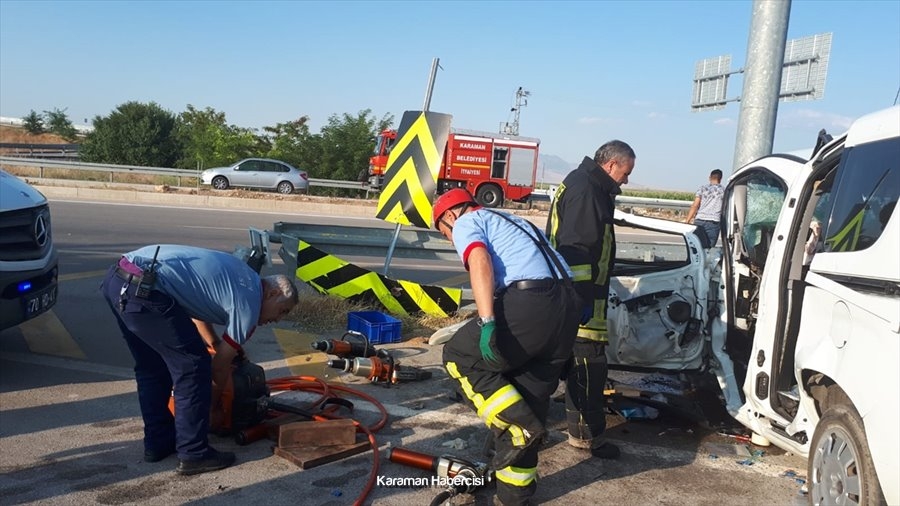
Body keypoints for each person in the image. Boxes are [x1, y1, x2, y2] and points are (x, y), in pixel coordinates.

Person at [100, 245, 299, 476]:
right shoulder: (250, 305)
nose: (277, 319)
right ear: (272, 293)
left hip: (118, 280)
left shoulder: (243, 276)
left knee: (152, 368)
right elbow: (220, 366)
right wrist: (212, 410)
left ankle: (158, 443)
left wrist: (215, 343)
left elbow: (193, 307)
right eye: (282, 311)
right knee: (193, 367)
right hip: (145, 290)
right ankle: (194, 453)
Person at [436, 189, 579, 506]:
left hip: (532, 302)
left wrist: (487, 321)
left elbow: (479, 261)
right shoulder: (516, 220)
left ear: (449, 215)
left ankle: (519, 426)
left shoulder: (467, 221)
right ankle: (515, 495)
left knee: (460, 356)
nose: (449, 239)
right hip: (567, 306)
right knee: (529, 392)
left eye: (443, 233)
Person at [546, 139, 636, 459]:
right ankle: (585, 438)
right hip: (581, 298)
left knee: (567, 364)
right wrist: (582, 299)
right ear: (611, 166)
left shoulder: (583, 182)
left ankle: (536, 423)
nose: (626, 180)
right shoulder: (587, 190)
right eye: (626, 173)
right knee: (587, 366)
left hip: (572, 293)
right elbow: (578, 250)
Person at [685, 169, 725, 247]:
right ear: (720, 179)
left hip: (700, 220)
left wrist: (688, 220)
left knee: (696, 245)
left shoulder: (702, 189)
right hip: (714, 222)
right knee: (708, 248)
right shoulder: (724, 190)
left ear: (710, 177)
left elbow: (695, 205)